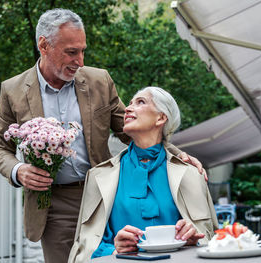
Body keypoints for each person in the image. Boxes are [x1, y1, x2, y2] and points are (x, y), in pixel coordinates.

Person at [0, 9, 205, 263]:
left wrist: (177, 157)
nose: (79, 61)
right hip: (56, 203)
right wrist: (18, 170)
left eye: (83, 51)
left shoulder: (99, 80)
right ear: (44, 45)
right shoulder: (13, 90)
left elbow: (132, 130)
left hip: (106, 195)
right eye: (71, 52)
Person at [68, 87, 218, 263]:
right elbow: (84, 246)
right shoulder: (98, 176)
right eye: (130, 103)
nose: (128, 109)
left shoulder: (191, 174)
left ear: (161, 118)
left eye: (140, 102)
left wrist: (195, 240)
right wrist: (114, 250)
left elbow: (213, 240)